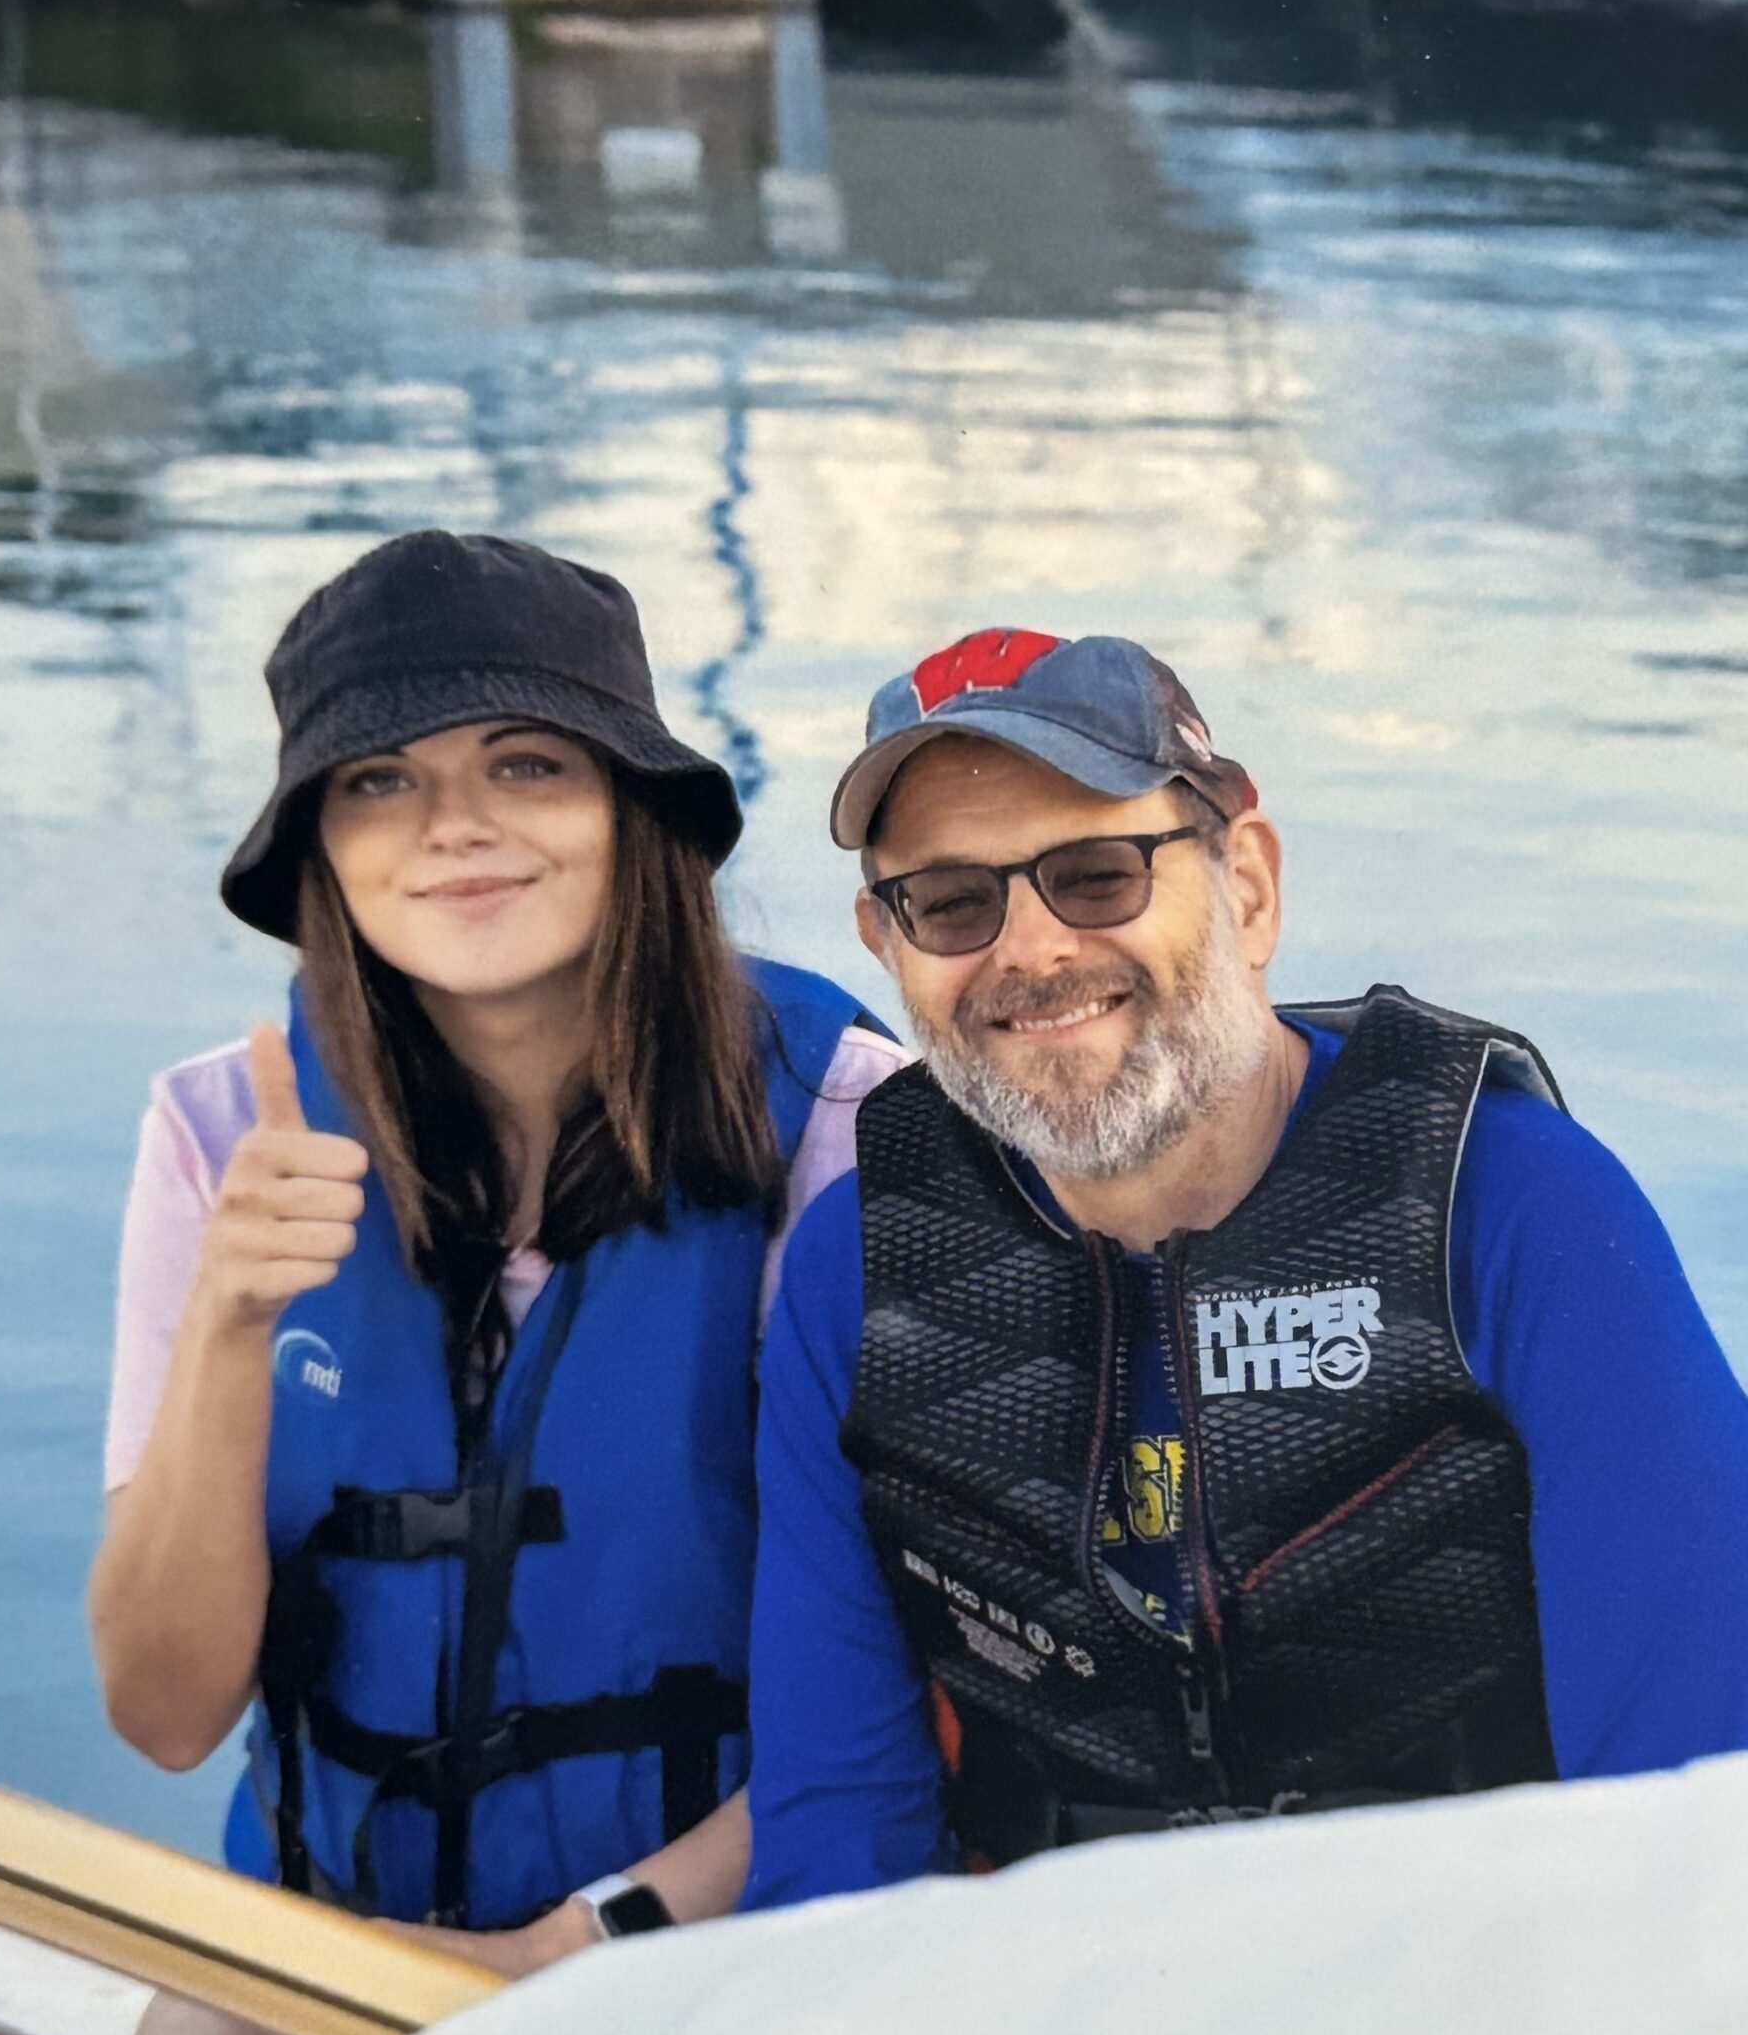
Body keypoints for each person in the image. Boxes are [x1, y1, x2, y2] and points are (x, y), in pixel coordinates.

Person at [741, 625, 1748, 1905]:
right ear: (888, 949)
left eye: (1098, 874)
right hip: (1051, 1999)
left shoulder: (1511, 1206)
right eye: (951, 902)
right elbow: (836, 1839)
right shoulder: (862, 1266)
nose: (1030, 951)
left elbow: (1701, 1809)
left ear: (1249, 887)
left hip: (1483, 1981)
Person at [88, 532, 900, 2035]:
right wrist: (229, 1324)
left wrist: (555, 1958)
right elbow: (163, 1714)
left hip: (729, 1941)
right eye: (377, 781)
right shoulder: (215, 1138)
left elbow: (903, 1686)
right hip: (332, 1944)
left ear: (631, 811)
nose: (453, 828)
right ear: (321, 847)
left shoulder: (843, 1129)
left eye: (526, 764)